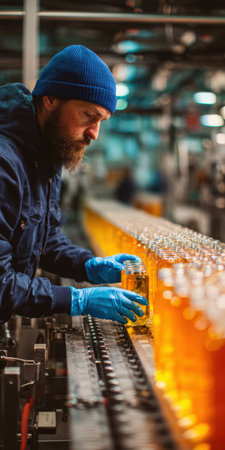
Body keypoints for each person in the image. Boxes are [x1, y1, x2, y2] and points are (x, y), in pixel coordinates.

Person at [0, 45, 147, 324]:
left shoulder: (45, 155)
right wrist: (75, 300)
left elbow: (43, 239)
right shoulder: (5, 162)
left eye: (101, 121)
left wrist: (86, 265)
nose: (94, 133)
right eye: (88, 115)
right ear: (50, 99)